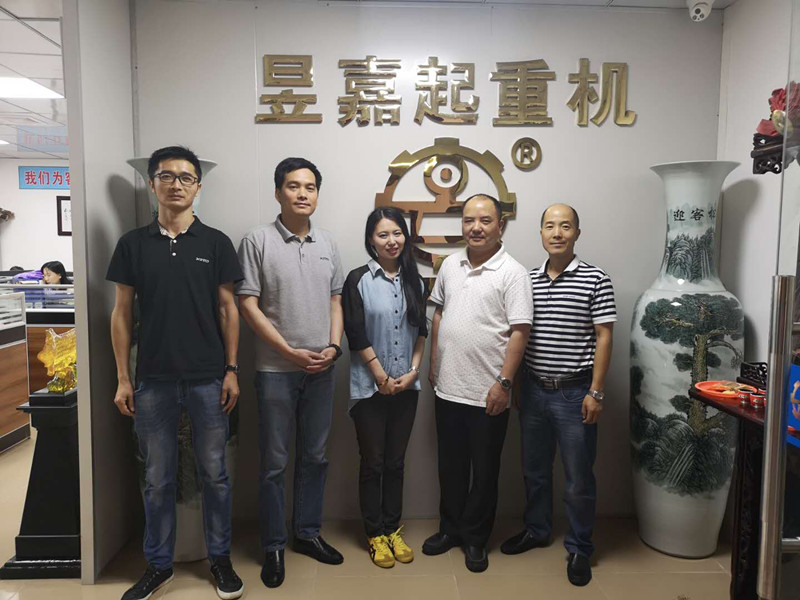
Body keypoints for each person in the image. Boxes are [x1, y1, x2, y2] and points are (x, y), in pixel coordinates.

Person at [107, 146, 244, 600]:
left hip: (209, 377)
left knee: (215, 475)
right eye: (166, 176)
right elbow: (121, 313)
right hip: (152, 380)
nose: (177, 184)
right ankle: (158, 566)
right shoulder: (132, 244)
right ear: (152, 184)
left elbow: (228, 309)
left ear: (198, 186)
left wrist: (231, 369)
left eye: (186, 177)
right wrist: (123, 377)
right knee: (157, 479)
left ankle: (220, 560)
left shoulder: (216, 242)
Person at [237, 157, 345, 589]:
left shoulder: (328, 241)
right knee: (274, 463)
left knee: (316, 457)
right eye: (293, 186)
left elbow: (336, 299)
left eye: (310, 187)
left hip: (322, 369)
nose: (303, 193)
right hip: (276, 370)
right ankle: (274, 545)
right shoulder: (257, 240)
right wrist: (287, 351)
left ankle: (307, 533)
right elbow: (247, 303)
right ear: (278, 192)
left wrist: (333, 347)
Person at [501, 204, 616, 587]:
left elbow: (604, 336)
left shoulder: (595, 278)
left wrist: (596, 391)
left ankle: (580, 547)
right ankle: (537, 530)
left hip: (575, 392)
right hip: (534, 390)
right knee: (534, 470)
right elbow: (521, 334)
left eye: (565, 226)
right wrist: (518, 384)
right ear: (540, 233)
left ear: (577, 233)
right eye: (550, 226)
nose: (557, 233)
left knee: (578, 477)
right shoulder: (527, 280)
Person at [422, 194, 533, 573]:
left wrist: (505, 383)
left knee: (484, 473)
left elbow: (519, 332)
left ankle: (475, 539)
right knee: (450, 467)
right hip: (447, 387)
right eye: (469, 220)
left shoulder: (513, 273)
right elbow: (439, 314)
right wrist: (434, 362)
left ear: (500, 225)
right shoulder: (451, 265)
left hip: (489, 391)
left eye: (485, 220)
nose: (476, 227)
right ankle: (450, 530)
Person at [342, 207, 427, 569]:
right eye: (383, 235)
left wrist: (413, 372)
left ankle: (393, 529)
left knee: (395, 463)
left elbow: (421, 331)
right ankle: (375, 533)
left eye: (397, 233)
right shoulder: (357, 279)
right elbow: (355, 332)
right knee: (373, 463)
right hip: (369, 388)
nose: (391, 241)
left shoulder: (415, 281)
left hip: (407, 387)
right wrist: (379, 375)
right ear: (371, 240)